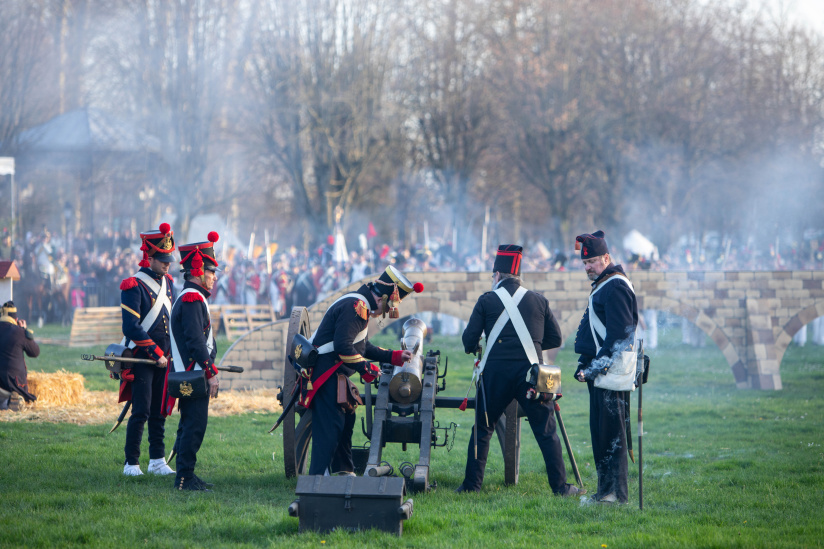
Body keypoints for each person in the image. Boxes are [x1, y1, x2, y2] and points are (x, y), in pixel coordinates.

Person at [456, 245, 583, 496]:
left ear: (497, 274)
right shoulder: (539, 300)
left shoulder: (486, 300)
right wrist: (533, 345)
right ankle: (560, 487)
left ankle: (471, 486)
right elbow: (555, 338)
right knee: (547, 433)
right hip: (531, 376)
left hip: (495, 376)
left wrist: (479, 345)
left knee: (482, 429)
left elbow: (469, 340)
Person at [302, 265, 422, 476]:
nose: (384, 312)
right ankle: (318, 476)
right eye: (387, 307)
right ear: (382, 299)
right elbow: (343, 347)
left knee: (347, 420)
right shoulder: (356, 307)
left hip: (335, 372)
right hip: (325, 372)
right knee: (331, 425)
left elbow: (362, 346)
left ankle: (342, 471)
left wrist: (393, 356)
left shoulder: (359, 303)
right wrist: (366, 368)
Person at [573, 231, 639, 504]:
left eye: (592, 261)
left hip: (611, 373)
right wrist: (585, 362)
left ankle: (615, 494)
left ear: (606, 258)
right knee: (601, 435)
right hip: (602, 372)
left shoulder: (616, 286)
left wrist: (594, 367)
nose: (588, 267)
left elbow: (619, 336)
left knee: (612, 437)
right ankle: (605, 492)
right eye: (585, 263)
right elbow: (595, 331)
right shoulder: (604, 285)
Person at [119, 223, 177, 477]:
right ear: (149, 257)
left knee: (159, 411)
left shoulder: (169, 283)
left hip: (165, 358)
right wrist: (156, 353)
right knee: (140, 411)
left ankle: (157, 460)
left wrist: (169, 354)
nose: (167, 264)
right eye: (162, 259)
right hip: (143, 358)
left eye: (168, 260)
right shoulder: (133, 285)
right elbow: (131, 327)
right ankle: (131, 463)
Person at [165, 231, 221, 491]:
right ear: (198, 271)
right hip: (194, 373)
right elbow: (195, 342)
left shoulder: (193, 298)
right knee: (195, 426)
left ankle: (185, 475)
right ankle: (185, 478)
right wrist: (211, 372)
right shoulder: (191, 299)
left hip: (194, 372)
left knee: (190, 424)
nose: (214, 277)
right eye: (211, 272)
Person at [0, 301, 39, 410]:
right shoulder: (19, 331)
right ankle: (15, 397)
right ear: (16, 319)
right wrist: (24, 330)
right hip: (13, 385)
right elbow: (35, 352)